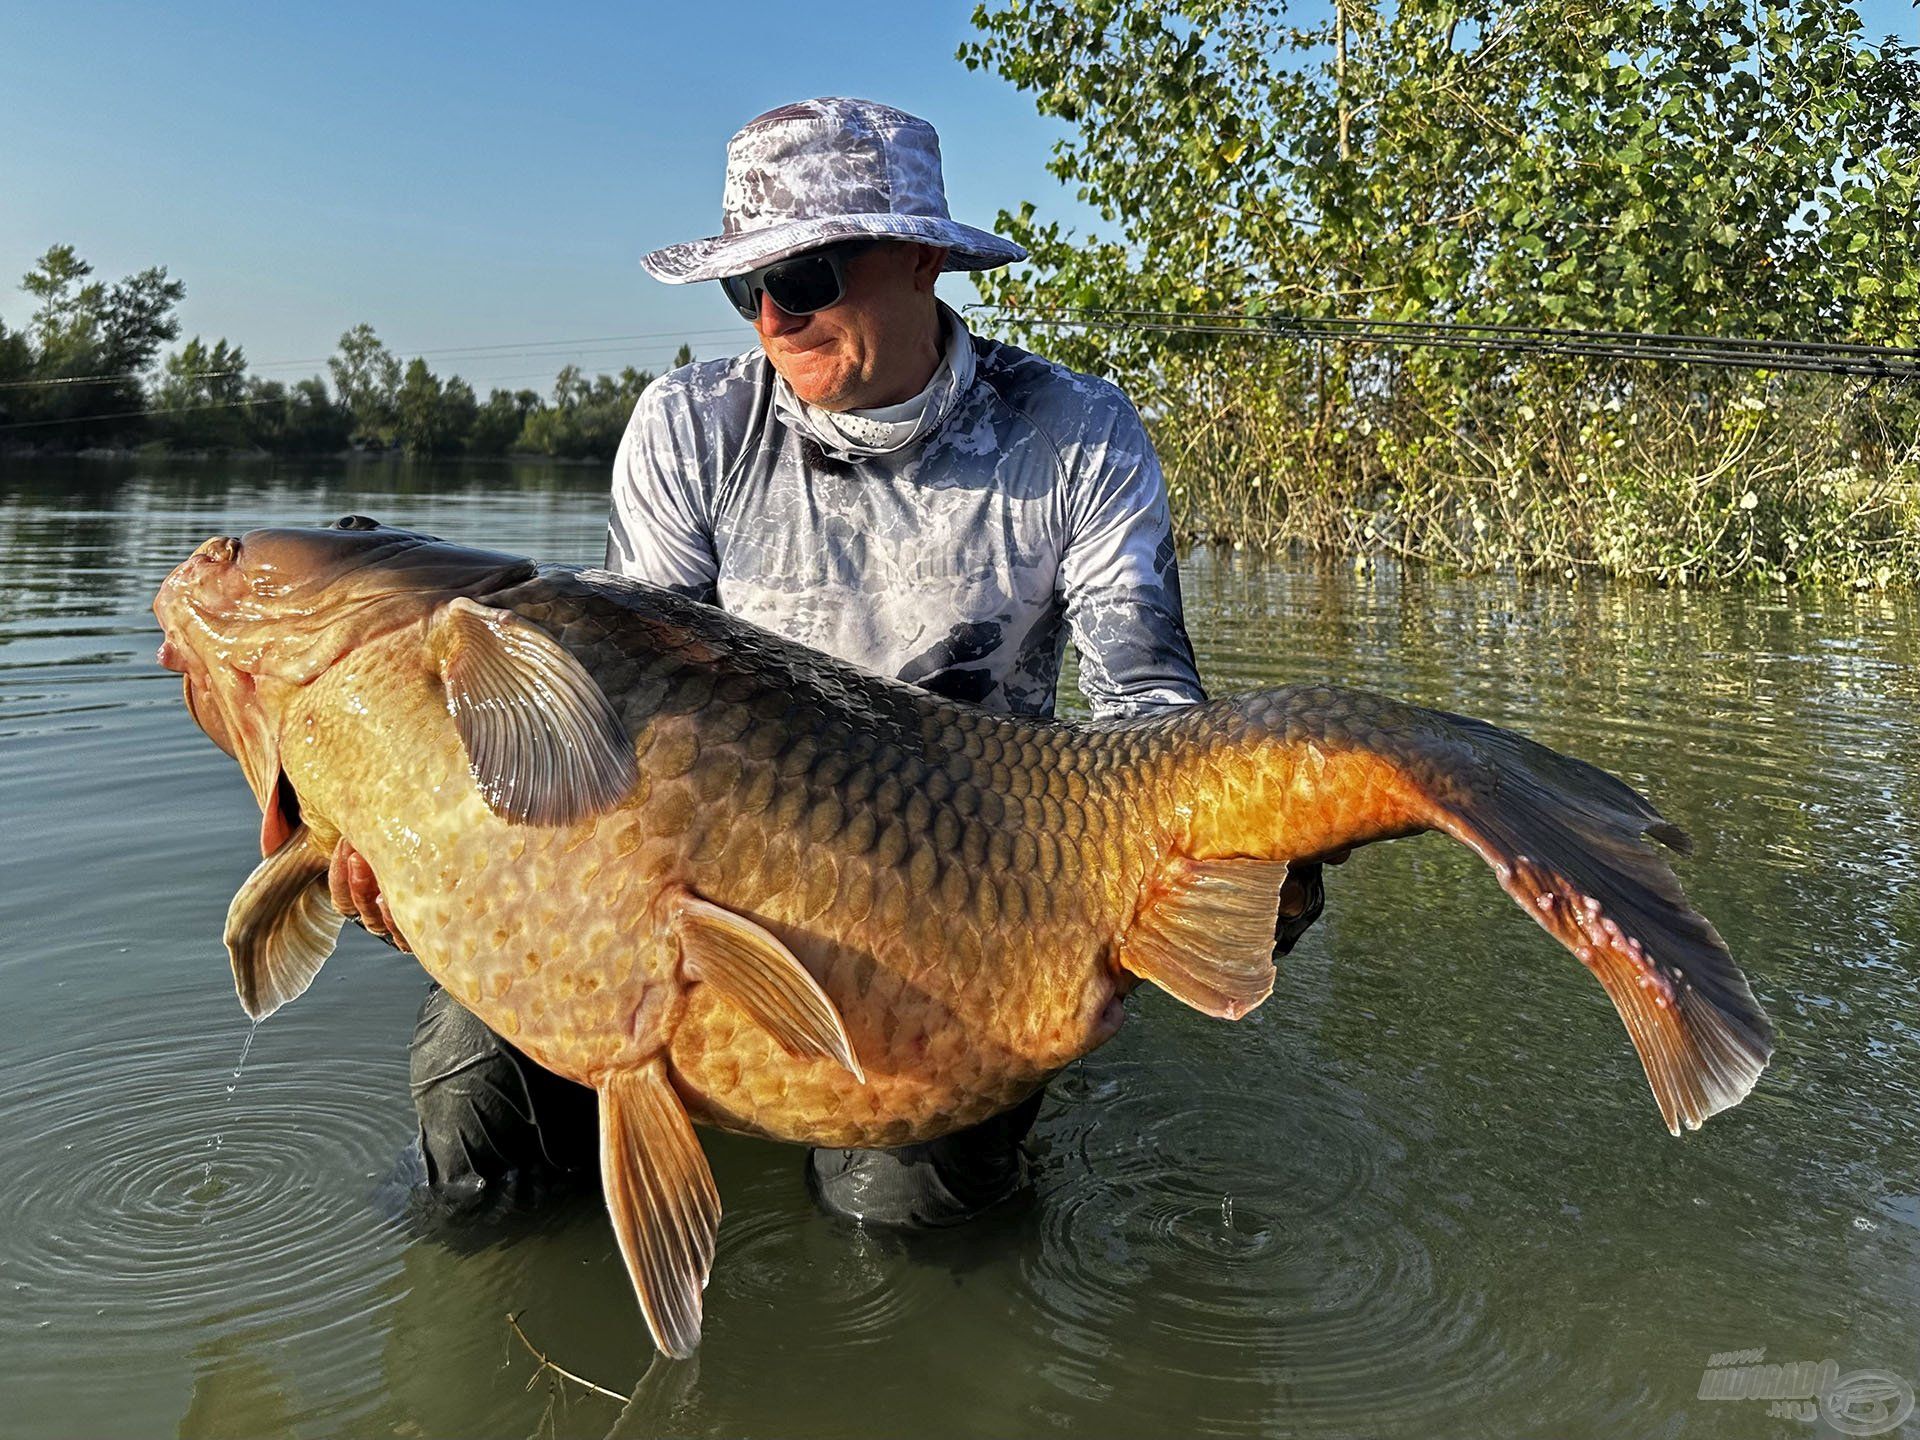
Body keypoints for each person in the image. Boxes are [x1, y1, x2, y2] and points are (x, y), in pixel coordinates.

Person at [332, 96, 1325, 1226]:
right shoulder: (688, 427)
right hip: (708, 866)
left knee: (906, 1203)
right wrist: (433, 859)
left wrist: (1226, 858)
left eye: (801, 280)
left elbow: (1147, 710)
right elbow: (609, 703)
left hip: (965, 881)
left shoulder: (1074, 433)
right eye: (740, 288)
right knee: (473, 1107)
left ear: (918, 259)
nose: (769, 316)